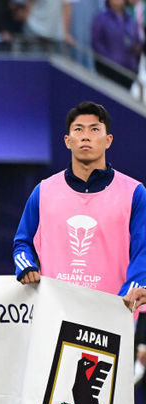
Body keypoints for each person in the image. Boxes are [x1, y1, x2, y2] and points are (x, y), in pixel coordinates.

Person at [13, 101, 146, 310]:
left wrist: (131, 292)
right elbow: (22, 242)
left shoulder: (134, 193)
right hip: (56, 311)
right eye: (78, 129)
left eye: (95, 129)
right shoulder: (43, 191)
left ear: (108, 140)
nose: (86, 136)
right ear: (67, 140)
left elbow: (144, 251)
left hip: (114, 312)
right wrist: (26, 266)